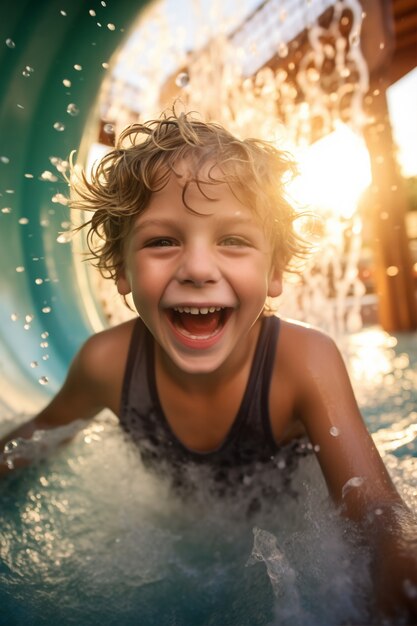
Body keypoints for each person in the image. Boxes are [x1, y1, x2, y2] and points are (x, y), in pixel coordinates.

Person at [0, 110, 416, 620]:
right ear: (120, 270)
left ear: (275, 272)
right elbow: (35, 440)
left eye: (233, 240)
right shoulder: (107, 364)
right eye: (161, 241)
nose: (197, 268)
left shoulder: (302, 362)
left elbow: (376, 510)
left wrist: (402, 572)